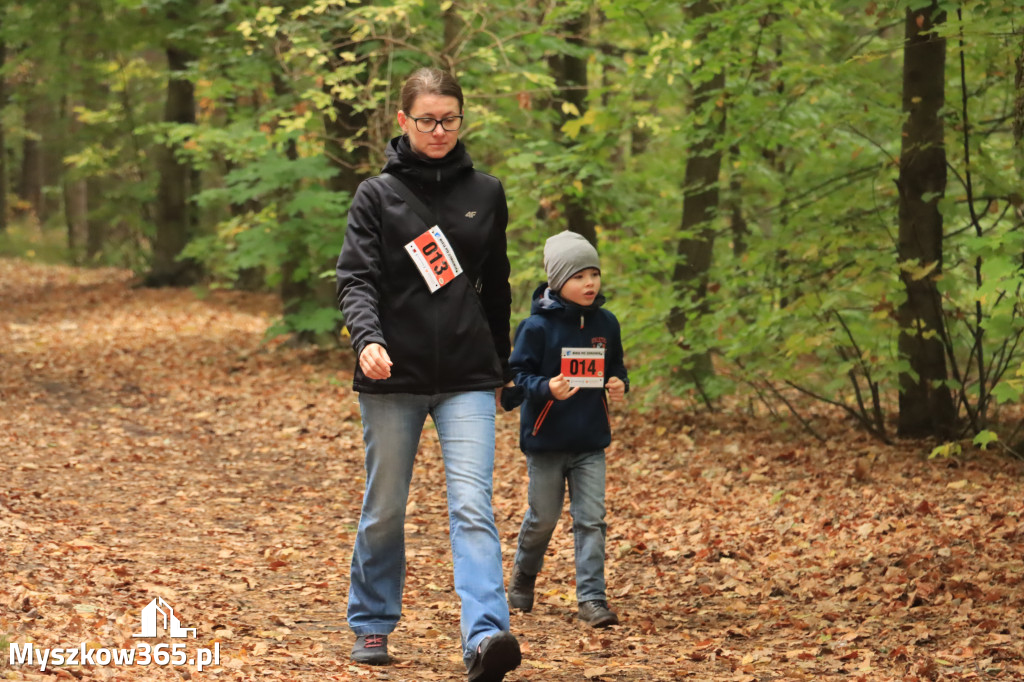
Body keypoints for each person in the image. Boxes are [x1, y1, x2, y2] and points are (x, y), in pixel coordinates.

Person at [335, 67, 521, 682]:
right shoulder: (376, 196)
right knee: (385, 506)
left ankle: (487, 637)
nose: (439, 130)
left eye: (450, 119)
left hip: (468, 374)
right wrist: (367, 340)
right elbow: (355, 279)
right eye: (427, 120)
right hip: (394, 374)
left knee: (473, 505)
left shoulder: (487, 192)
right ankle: (371, 622)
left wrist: (505, 365)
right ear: (402, 121)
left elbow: (496, 286)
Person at [502, 230, 629, 628]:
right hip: (546, 442)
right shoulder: (536, 328)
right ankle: (524, 574)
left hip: (590, 441)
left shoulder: (607, 323)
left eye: (594, 274)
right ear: (558, 282)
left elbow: (616, 367)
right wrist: (547, 388)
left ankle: (592, 598)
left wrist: (618, 382)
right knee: (543, 517)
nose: (590, 283)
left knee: (591, 519)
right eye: (579, 276)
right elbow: (514, 380)